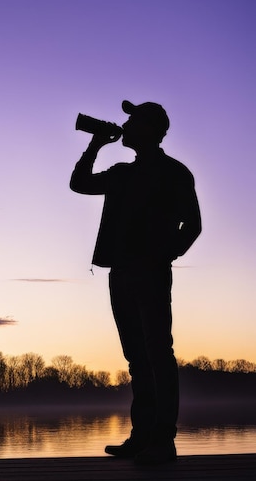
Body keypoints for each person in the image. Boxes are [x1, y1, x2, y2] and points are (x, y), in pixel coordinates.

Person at [70, 100, 201, 465]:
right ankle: (142, 437)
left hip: (150, 272)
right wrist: (97, 142)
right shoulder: (122, 173)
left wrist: (164, 255)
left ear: (153, 130)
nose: (125, 125)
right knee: (137, 359)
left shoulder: (174, 173)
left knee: (158, 354)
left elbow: (193, 225)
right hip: (121, 274)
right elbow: (78, 184)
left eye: (133, 120)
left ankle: (163, 440)